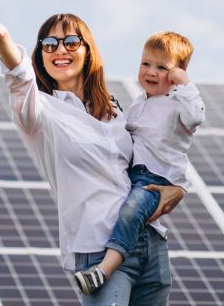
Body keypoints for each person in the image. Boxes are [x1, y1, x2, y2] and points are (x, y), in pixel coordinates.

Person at [0, 5, 184, 305]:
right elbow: (19, 79)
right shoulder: (40, 113)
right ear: (41, 55)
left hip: (149, 241)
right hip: (98, 246)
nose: (60, 50)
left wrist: (176, 189)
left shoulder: (115, 112)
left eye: (71, 42)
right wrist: (2, 38)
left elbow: (151, 162)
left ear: (87, 51)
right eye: (49, 44)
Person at [73, 31, 205, 295]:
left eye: (161, 67)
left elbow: (195, 118)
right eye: (146, 64)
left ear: (177, 74)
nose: (151, 72)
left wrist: (185, 85)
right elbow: (126, 133)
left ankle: (104, 270)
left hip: (158, 180)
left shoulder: (178, 102)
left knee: (131, 212)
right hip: (136, 175)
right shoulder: (139, 102)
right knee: (125, 210)